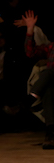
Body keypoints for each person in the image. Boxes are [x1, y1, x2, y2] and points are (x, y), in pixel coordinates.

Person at [20, 10, 54, 149]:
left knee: (47, 74)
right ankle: (51, 133)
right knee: (48, 88)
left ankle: (31, 97)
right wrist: (29, 29)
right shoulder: (52, 46)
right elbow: (30, 53)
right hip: (52, 80)